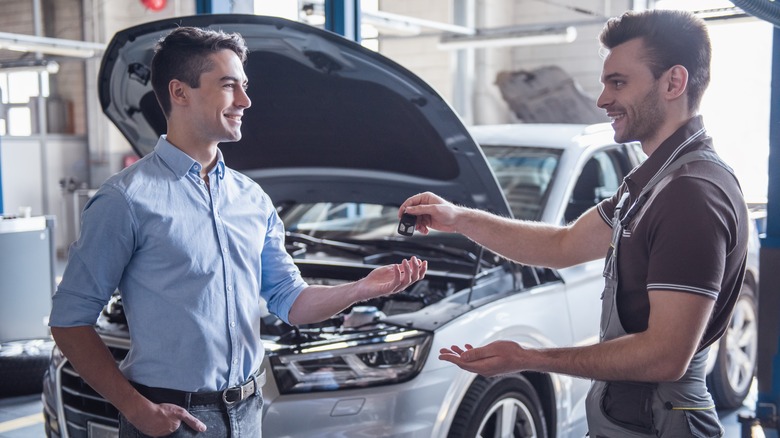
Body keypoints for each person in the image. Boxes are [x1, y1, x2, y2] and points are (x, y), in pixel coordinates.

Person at [49, 26, 427, 437]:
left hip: (248, 412)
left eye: (244, 86)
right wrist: (138, 410)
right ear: (180, 92)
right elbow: (70, 322)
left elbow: (290, 300)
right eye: (229, 86)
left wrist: (358, 290)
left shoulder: (252, 199)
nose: (245, 101)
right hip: (171, 419)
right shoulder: (126, 200)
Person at [400, 9, 747, 437]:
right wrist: (458, 218)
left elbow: (664, 356)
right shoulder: (652, 183)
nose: (602, 99)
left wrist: (529, 358)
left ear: (673, 82)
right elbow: (563, 245)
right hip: (633, 420)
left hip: (663, 425)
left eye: (617, 82)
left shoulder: (691, 194)